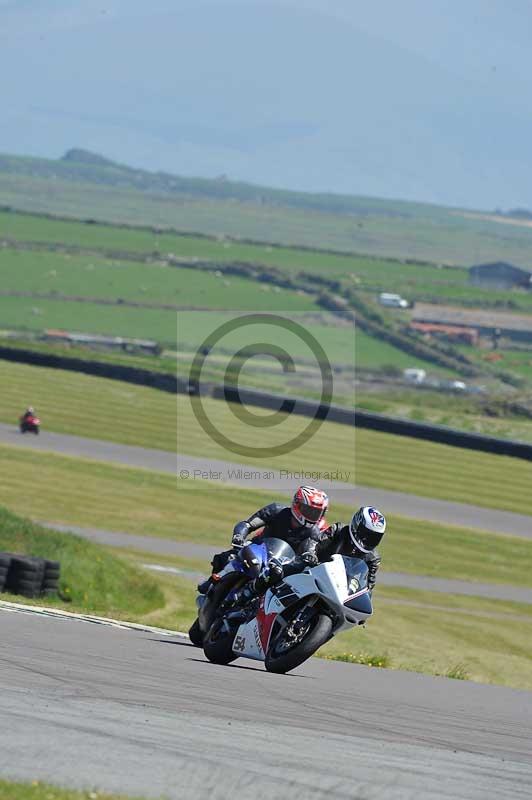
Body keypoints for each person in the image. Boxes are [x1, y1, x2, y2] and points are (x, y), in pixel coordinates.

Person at [230, 505, 386, 607]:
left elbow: (368, 586)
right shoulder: (339, 530)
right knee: (278, 570)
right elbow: (315, 541)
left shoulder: (372, 559)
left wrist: (363, 600)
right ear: (356, 525)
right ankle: (250, 590)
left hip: (336, 588)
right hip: (313, 567)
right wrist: (310, 554)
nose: (367, 540)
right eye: (366, 535)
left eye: (373, 537)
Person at [197, 485, 330, 595]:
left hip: (281, 565)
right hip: (257, 548)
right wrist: (239, 536)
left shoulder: (314, 532)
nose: (312, 516)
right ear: (297, 505)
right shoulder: (276, 510)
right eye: (309, 510)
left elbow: (310, 550)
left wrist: (310, 557)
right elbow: (248, 525)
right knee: (230, 557)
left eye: (316, 512)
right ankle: (212, 583)